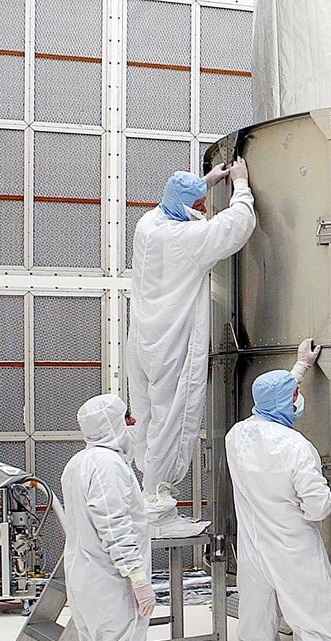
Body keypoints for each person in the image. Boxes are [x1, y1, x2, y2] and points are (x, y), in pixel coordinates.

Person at [226, 339, 331, 641]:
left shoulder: (236, 437)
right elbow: (318, 507)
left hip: (254, 556)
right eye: (296, 395)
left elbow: (272, 402)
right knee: (316, 640)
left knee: (255, 639)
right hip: (295, 555)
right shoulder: (297, 447)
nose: (299, 400)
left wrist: (300, 367)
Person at [127, 157, 258, 538]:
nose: (203, 208)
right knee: (174, 419)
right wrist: (240, 185)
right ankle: (158, 508)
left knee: (149, 418)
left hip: (145, 338)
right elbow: (236, 225)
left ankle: (150, 493)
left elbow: (180, 204)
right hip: (172, 343)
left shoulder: (147, 225)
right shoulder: (185, 239)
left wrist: (206, 182)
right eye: (199, 204)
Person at [37, 394, 154, 641]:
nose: (133, 423)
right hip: (111, 583)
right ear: (113, 424)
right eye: (127, 417)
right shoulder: (107, 466)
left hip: (86, 580)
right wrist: (137, 576)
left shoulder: (78, 463)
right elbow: (114, 525)